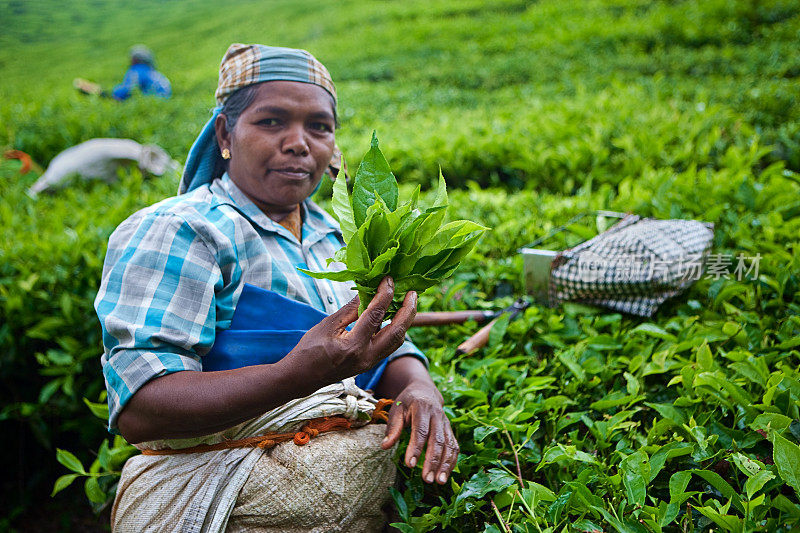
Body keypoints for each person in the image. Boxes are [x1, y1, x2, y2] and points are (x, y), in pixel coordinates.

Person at [95, 43, 458, 531]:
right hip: (212, 496)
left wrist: (420, 388)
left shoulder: (336, 233)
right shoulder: (182, 230)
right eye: (271, 122)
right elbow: (142, 406)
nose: (298, 143)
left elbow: (382, 343)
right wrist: (295, 375)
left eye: (319, 126)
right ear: (226, 132)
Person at [74, 45, 171, 100]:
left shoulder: (137, 71)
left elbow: (126, 90)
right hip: (162, 101)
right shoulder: (156, 74)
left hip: (149, 102)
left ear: (135, 60)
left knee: (104, 94)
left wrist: (104, 94)